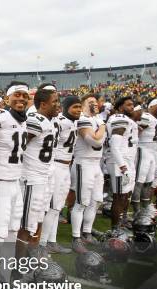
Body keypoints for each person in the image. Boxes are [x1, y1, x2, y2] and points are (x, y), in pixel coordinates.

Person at [0, 81, 35, 289]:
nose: (21, 99)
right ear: (7, 98)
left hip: (15, 181)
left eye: (25, 96)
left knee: (10, 234)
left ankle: (4, 282)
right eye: (17, 95)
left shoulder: (22, 121)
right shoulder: (0, 118)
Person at [17, 87, 60, 260]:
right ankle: (18, 267)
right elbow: (18, 146)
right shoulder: (35, 120)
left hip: (43, 177)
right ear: (43, 104)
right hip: (31, 178)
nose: (58, 105)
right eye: (55, 101)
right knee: (25, 225)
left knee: (36, 219)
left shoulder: (48, 120)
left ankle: (31, 256)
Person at [39, 95, 80, 254]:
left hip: (65, 167)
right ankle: (42, 244)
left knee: (57, 208)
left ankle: (51, 241)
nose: (78, 110)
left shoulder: (71, 122)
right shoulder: (60, 121)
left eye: (79, 107)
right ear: (65, 107)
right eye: (74, 107)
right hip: (56, 166)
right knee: (52, 208)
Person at [71, 94, 106, 253]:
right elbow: (95, 141)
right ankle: (76, 237)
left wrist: (100, 128)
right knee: (81, 202)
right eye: (90, 102)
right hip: (83, 162)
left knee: (96, 200)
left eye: (95, 102)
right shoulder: (83, 119)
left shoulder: (97, 119)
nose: (95, 104)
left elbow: (98, 139)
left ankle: (87, 232)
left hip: (95, 164)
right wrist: (103, 127)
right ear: (84, 105)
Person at [106, 96, 136, 228]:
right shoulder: (119, 118)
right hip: (120, 162)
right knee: (119, 196)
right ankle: (115, 229)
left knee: (125, 194)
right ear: (120, 107)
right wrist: (123, 166)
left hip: (126, 160)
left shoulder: (126, 119)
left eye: (132, 105)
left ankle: (122, 221)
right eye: (128, 105)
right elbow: (114, 145)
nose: (132, 107)